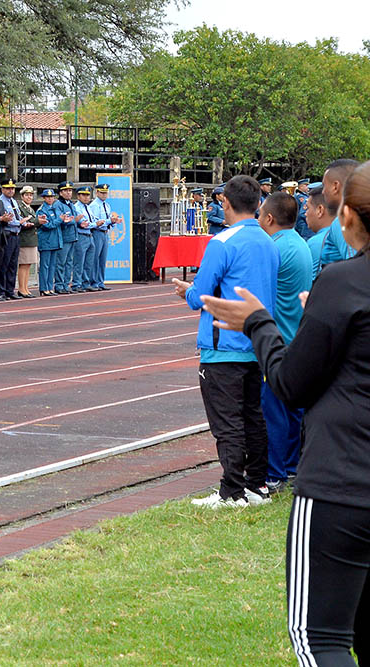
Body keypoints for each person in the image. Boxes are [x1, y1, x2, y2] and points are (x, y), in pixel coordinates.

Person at [199, 160, 370, 666]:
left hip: (345, 480)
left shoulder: (344, 282)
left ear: (348, 218)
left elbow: (292, 384)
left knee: (320, 637)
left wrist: (258, 323)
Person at [173, 174, 279, 508]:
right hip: (257, 343)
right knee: (252, 416)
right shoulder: (268, 242)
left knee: (228, 422)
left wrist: (186, 290)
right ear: (258, 203)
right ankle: (256, 484)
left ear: (225, 203)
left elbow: (199, 295)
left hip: (223, 346)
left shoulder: (222, 242)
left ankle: (231, 490)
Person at [256, 192, 312, 494]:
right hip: (295, 337)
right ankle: (289, 468)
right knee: (292, 410)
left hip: (277, 342)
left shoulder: (273, 248)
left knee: (273, 411)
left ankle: (274, 472)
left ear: (269, 218)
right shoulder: (300, 244)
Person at [319, 159, 359, 268]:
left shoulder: (346, 219)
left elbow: (357, 270)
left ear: (335, 186)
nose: (323, 192)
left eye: (324, 186)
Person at [0, 178, 25, 300]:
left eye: (12, 188)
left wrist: (22, 223)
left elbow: (17, 217)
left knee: (13, 264)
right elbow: (6, 220)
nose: (10, 190)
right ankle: (1, 290)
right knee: (5, 263)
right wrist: (19, 222)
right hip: (7, 235)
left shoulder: (13, 201)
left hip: (16, 234)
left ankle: (10, 290)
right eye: (8, 188)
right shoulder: (0, 202)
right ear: (2, 189)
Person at [88, 183, 118, 291]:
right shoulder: (94, 205)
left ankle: (100, 281)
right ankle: (94, 282)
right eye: (102, 193)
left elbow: (108, 219)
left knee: (102, 259)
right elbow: (96, 221)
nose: (104, 195)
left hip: (105, 232)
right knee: (95, 258)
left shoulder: (107, 205)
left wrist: (113, 222)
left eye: (106, 193)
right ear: (97, 193)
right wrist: (109, 221)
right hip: (97, 232)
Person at [303, 182, 334, 280]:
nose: (305, 214)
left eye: (307, 208)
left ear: (320, 210)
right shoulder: (342, 234)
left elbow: (311, 285)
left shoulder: (317, 243)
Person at [35, 188, 62, 296]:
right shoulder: (42, 210)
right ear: (44, 198)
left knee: (52, 265)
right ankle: (43, 287)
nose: (50, 199)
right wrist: (59, 220)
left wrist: (61, 220)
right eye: (48, 197)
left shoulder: (55, 208)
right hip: (46, 241)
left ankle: (50, 287)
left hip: (55, 240)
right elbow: (47, 225)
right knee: (45, 265)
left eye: (52, 197)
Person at [52, 181, 78, 294]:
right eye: (66, 191)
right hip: (64, 236)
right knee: (61, 262)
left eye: (70, 190)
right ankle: (59, 285)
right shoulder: (58, 204)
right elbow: (62, 220)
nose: (68, 193)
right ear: (61, 192)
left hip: (72, 236)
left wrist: (73, 220)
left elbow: (75, 217)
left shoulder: (71, 204)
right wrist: (73, 220)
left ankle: (66, 284)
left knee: (69, 262)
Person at [16, 185, 39, 298]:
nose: (29, 197)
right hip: (24, 239)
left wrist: (37, 221)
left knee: (28, 265)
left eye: (30, 195)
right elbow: (22, 222)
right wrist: (36, 222)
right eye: (27, 195)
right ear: (22, 196)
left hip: (31, 239)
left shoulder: (30, 209)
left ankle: (25, 287)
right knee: (23, 265)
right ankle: (21, 288)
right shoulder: (21, 208)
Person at [71, 185, 95, 292]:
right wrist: (94, 224)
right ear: (78, 196)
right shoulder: (77, 207)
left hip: (90, 235)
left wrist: (94, 224)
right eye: (83, 195)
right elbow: (82, 224)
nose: (86, 197)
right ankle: (76, 283)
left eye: (87, 195)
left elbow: (93, 220)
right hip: (81, 235)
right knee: (79, 262)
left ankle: (86, 282)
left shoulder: (88, 207)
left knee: (88, 262)